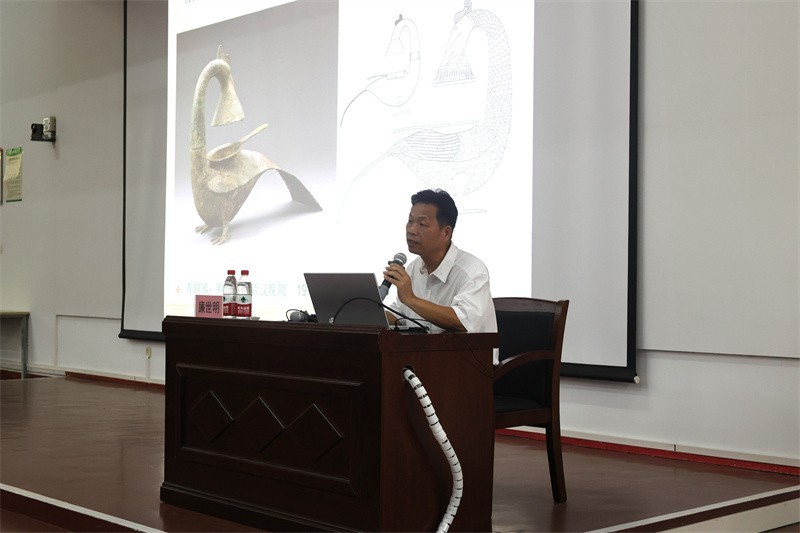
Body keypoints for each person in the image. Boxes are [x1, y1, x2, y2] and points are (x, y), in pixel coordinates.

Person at [383, 189, 499, 363]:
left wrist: (411, 299)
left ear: (446, 232)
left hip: (469, 368)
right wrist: (368, 312)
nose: (412, 230)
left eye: (422, 224)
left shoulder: (472, 270)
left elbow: (462, 322)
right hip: (427, 363)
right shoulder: (414, 268)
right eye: (410, 221)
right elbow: (403, 316)